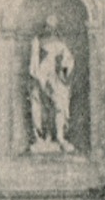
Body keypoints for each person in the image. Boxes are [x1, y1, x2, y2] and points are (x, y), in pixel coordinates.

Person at [27, 14, 76, 152]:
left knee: (60, 106)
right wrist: (40, 79)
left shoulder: (61, 44)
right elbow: (34, 64)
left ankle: (60, 137)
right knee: (41, 108)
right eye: (48, 25)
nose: (51, 28)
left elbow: (69, 60)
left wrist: (64, 72)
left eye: (53, 25)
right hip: (41, 78)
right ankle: (42, 138)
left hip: (57, 79)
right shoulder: (37, 41)